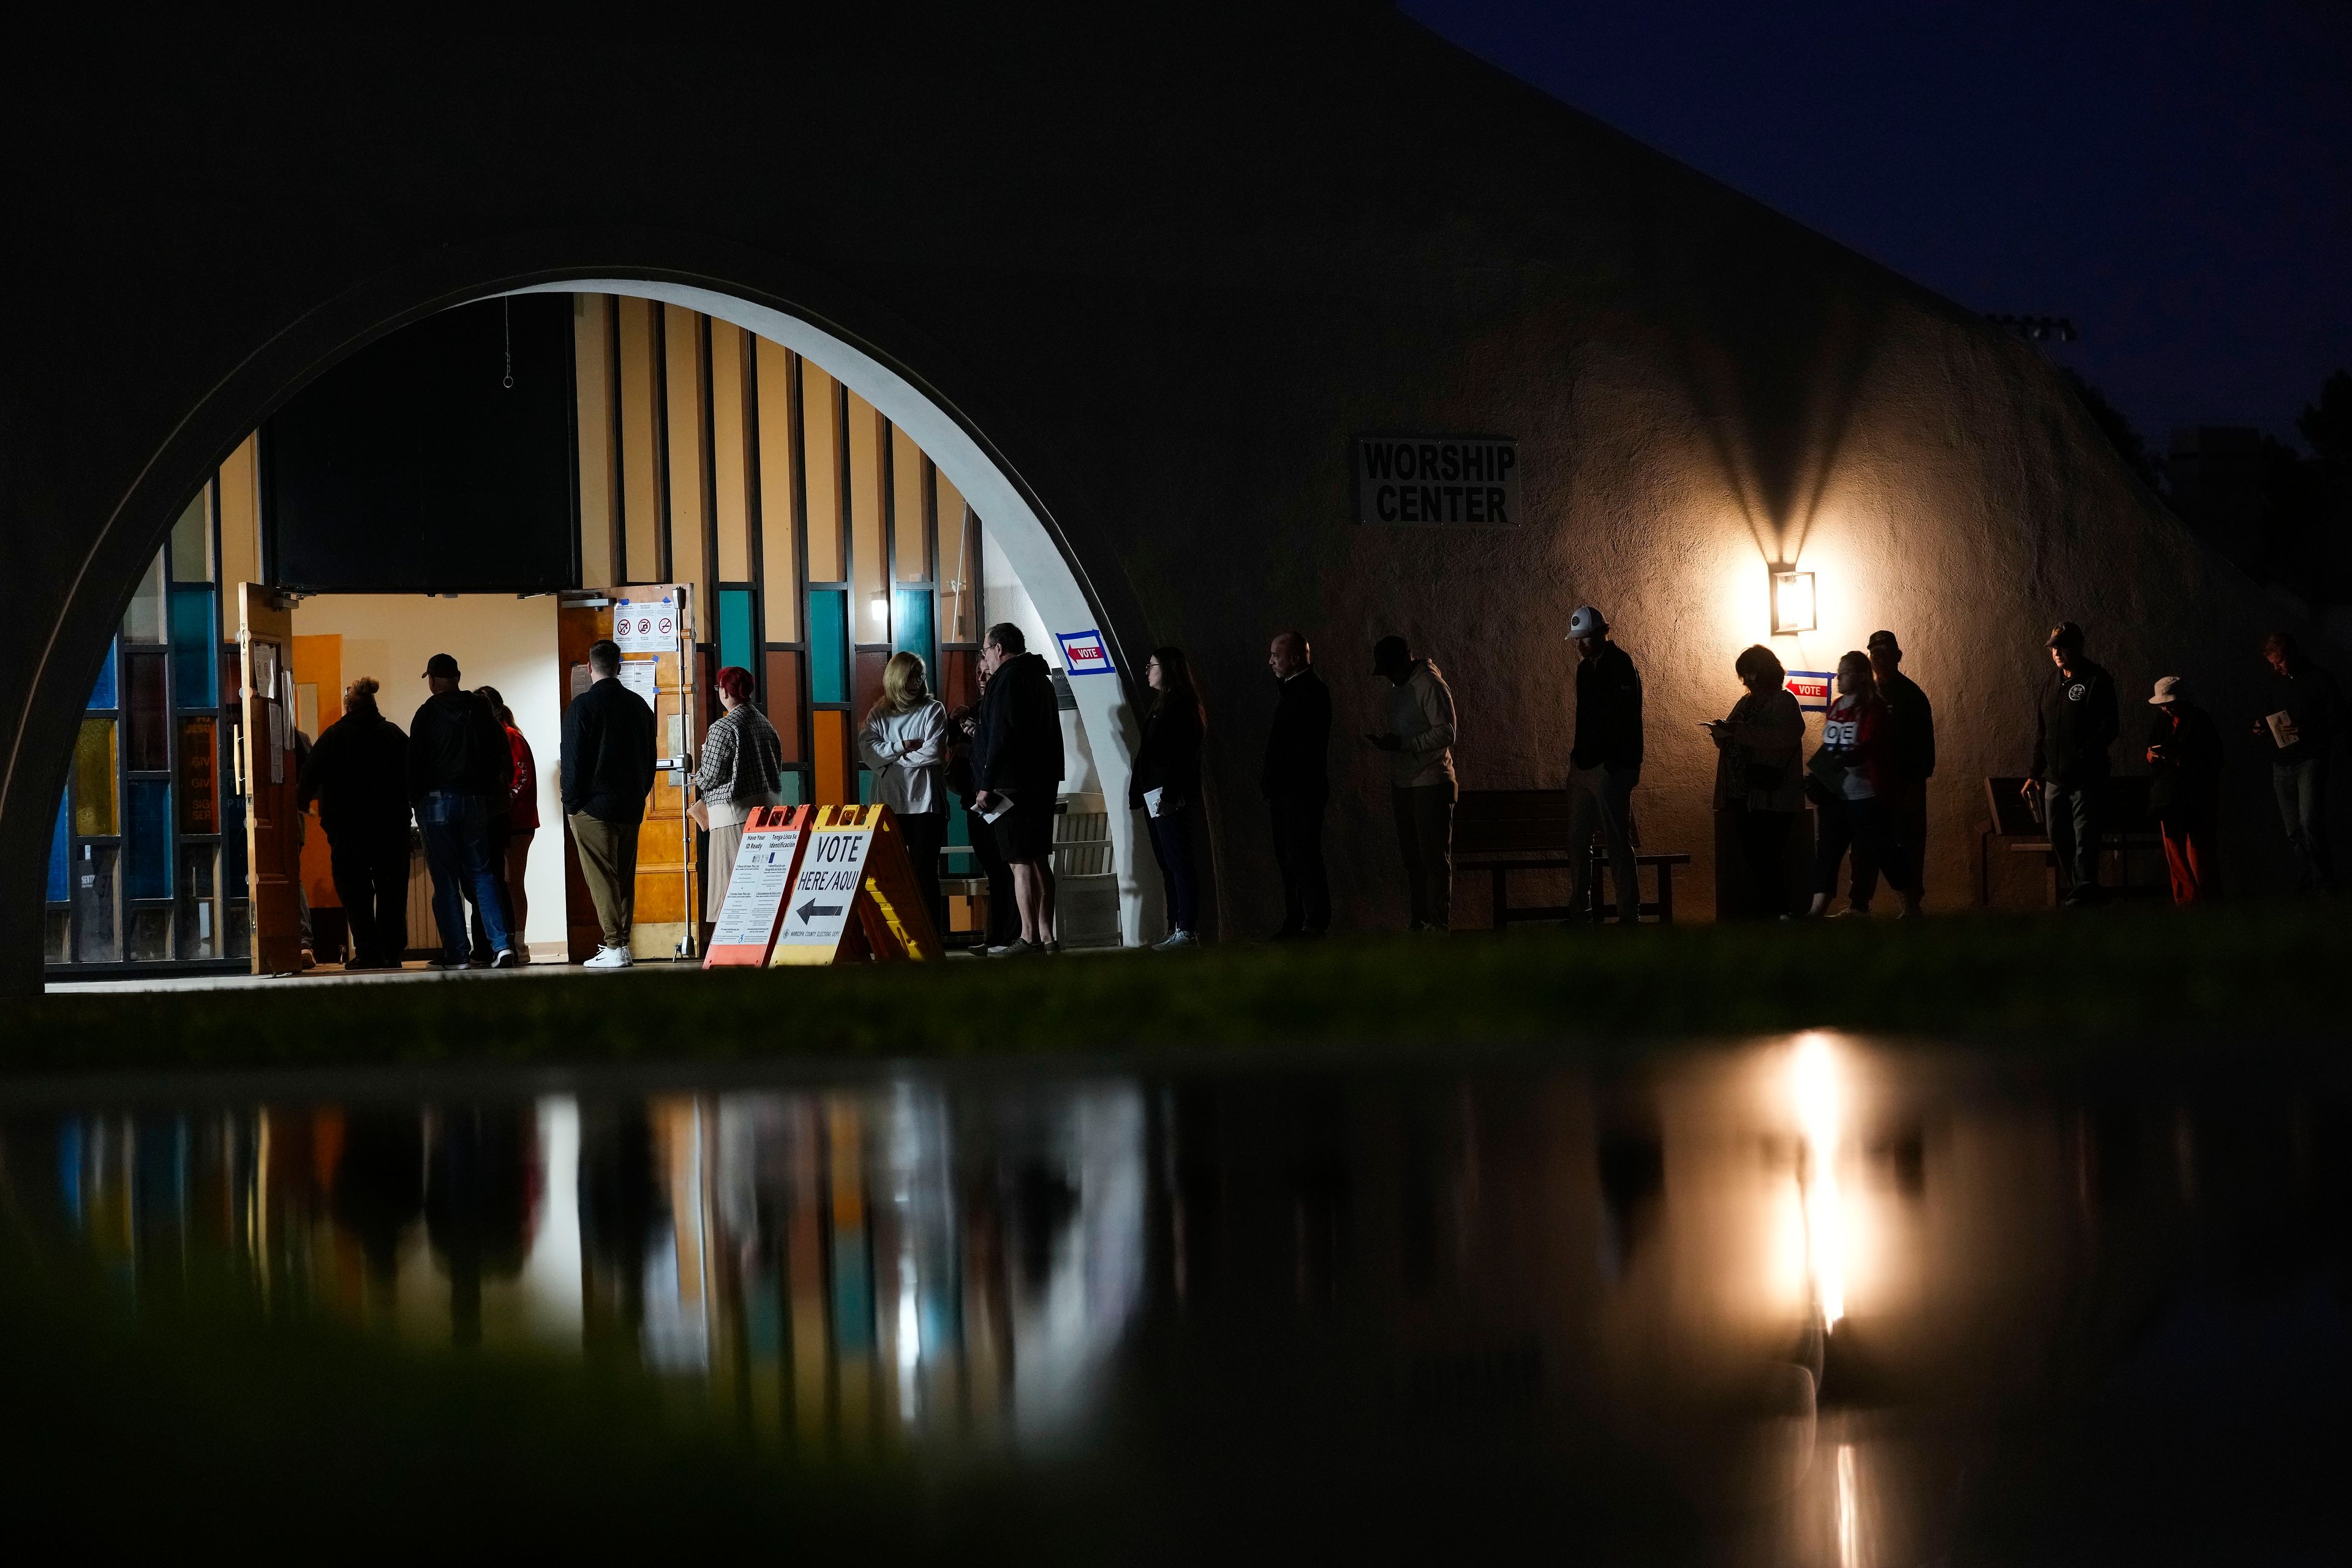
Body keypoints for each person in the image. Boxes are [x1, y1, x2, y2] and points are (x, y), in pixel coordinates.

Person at [407, 653, 519, 970]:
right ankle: (501, 945)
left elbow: (413, 764)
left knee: (445, 880)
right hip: (475, 802)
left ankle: (458, 954)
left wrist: (415, 802)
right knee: (483, 875)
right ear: (457, 677)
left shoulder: (426, 714)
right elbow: (501, 753)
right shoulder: (480, 709)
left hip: (436, 802)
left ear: (432, 680)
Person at [298, 676, 412, 968]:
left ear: (348, 706)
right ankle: (392, 952)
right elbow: (416, 776)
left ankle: (369, 951)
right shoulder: (394, 735)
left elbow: (308, 779)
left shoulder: (334, 737)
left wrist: (298, 806)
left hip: (348, 831)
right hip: (391, 828)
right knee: (392, 892)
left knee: (356, 893)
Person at [560, 638, 657, 970]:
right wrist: (640, 793)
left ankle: (615, 946)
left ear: (590, 668)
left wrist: (571, 804)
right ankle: (622, 944)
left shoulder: (582, 707)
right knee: (624, 876)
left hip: (592, 807)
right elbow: (650, 760)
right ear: (619, 667)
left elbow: (572, 763)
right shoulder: (640, 706)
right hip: (630, 805)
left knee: (601, 876)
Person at [971, 623, 1064, 956]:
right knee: (1039, 859)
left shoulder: (1009, 679)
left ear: (998, 648)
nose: (985, 658)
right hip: (1042, 781)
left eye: (985, 650)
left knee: (1019, 861)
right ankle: (1046, 935)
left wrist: (986, 783)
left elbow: (1002, 734)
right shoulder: (1039, 677)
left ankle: (1029, 938)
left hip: (1012, 784)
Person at [1807, 650, 1920, 918]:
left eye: (1844, 673)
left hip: (1866, 795)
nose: (1838, 677)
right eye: (1838, 672)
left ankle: (1910, 904)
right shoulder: (1836, 706)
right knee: (1828, 853)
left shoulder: (1873, 707)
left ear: (1859, 677)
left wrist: (1843, 760)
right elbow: (1831, 745)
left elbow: (1870, 745)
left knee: (1884, 849)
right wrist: (1818, 774)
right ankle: (1816, 911)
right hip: (1837, 795)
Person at [1705, 645, 1804, 919]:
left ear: (1762, 672)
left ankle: (1778, 911)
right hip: (1742, 791)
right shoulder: (1746, 702)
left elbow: (1784, 737)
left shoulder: (1784, 701)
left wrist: (1740, 732)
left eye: (1748, 674)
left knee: (1769, 855)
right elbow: (1737, 733)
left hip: (1772, 792)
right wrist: (1722, 732)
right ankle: (1767, 911)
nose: (1745, 681)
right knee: (1754, 855)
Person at [2023, 622, 2118, 907]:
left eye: (2061, 646)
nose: (2056, 652)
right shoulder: (2050, 684)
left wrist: (2081, 757)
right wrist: (2034, 772)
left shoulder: (2096, 680)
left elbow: (2109, 728)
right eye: (2053, 647)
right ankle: (2083, 888)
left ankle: (2084, 888)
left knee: (2084, 835)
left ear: (2077, 647)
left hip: (2087, 778)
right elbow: (2043, 732)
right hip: (2055, 778)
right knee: (2057, 833)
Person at [1366, 634, 1456, 932]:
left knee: (1431, 858)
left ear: (1405, 660)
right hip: (1406, 783)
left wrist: (1404, 744)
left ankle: (1436, 923)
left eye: (1392, 669)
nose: (1389, 677)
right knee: (1414, 860)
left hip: (1430, 782)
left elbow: (1446, 732)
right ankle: (1421, 921)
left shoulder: (1429, 684)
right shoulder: (1401, 687)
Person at [858, 652, 951, 938]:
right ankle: (893, 938)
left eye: (920, 676)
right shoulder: (879, 714)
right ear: (896, 678)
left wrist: (891, 758)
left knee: (925, 875)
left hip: (926, 806)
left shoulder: (933, 709)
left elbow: (934, 753)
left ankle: (930, 938)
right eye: (910, 676)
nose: (916, 682)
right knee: (889, 875)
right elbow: (868, 753)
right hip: (889, 806)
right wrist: (903, 746)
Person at [693, 664, 786, 940]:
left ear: (724, 691)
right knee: (760, 884)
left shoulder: (724, 727)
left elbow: (710, 776)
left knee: (730, 884)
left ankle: (731, 944)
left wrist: (694, 776)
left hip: (733, 815)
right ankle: (760, 941)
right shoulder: (765, 724)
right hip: (769, 812)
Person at [1563, 605, 1643, 925]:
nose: (1579, 645)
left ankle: (1627, 915)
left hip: (1608, 767)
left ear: (1600, 635)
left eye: (1583, 639)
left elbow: (1625, 720)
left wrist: (1617, 764)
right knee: (1578, 841)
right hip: (1586, 765)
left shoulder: (1621, 665)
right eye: (1577, 640)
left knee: (1616, 843)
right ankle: (1582, 911)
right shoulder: (1586, 669)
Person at [1846, 629, 1935, 914]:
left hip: (1902, 785)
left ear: (1897, 656)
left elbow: (1923, 745)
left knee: (1906, 844)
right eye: (1875, 654)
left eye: (1885, 653)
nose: (1879, 659)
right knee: (1862, 847)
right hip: (1867, 786)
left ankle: (1911, 905)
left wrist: (1913, 783)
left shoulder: (1911, 695)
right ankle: (1859, 906)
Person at [2253, 631, 2345, 894]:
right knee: (2294, 830)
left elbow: (2339, 720)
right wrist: (2261, 727)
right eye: (2272, 663)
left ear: (2291, 653)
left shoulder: (2320, 679)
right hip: (2281, 763)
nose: (2276, 668)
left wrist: (2307, 730)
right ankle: (2306, 885)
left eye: (2279, 661)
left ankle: (2324, 883)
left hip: (2310, 760)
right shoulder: (2274, 683)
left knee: (2309, 822)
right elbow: (2267, 714)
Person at [1132, 646, 1207, 949]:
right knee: (1169, 864)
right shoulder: (1162, 705)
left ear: (1169, 669)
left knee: (1179, 862)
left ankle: (1186, 930)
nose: (1147, 671)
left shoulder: (1180, 707)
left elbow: (1180, 757)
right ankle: (1176, 925)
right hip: (1156, 795)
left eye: (1151, 665)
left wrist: (1170, 795)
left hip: (1168, 796)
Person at [1261, 629, 1332, 939]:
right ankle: (1302, 920)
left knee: (1301, 856)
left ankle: (1310, 921)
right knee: (1294, 857)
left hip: (1297, 792)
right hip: (1292, 791)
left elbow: (1298, 748)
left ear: (1293, 658)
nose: (1271, 662)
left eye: (1276, 656)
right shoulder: (1305, 690)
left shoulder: (1308, 693)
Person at [464, 685, 535, 966]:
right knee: (507, 881)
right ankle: (510, 942)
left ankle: (518, 942)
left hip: (517, 821)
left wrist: (501, 804)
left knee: (511, 882)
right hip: (510, 819)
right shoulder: (502, 735)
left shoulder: (509, 736)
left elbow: (521, 777)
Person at [949, 665, 1016, 952]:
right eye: (978, 672)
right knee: (992, 869)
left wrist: (975, 735)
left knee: (1006, 869)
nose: (981, 678)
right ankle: (995, 935)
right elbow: (956, 748)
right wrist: (955, 724)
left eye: (987, 672)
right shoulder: (976, 708)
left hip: (998, 800)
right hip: (974, 800)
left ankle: (1012, 935)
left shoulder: (1000, 708)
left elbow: (998, 747)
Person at [2146, 675, 2223, 905]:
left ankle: (2203, 898)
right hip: (2169, 795)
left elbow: (2213, 758)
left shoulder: (2199, 720)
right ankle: (2186, 900)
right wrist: (2153, 756)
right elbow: (2150, 749)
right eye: (2162, 703)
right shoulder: (2162, 721)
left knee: (2199, 847)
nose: (2165, 708)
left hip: (2195, 793)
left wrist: (2182, 759)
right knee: (2174, 847)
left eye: (2168, 703)